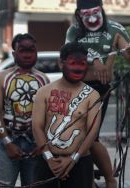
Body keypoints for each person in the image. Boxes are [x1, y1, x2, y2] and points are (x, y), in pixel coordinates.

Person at [65, 0, 130, 187]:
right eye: (86, 15)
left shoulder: (114, 28)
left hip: (100, 89)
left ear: (102, 10)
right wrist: (93, 60)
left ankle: (109, 179)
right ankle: (92, 178)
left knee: (89, 137)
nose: (91, 19)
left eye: (95, 13)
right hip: (76, 87)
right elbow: (67, 52)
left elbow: (128, 53)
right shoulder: (74, 31)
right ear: (78, 14)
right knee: (80, 136)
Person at [32, 41, 101, 188]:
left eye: (82, 63)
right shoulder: (44, 92)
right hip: (47, 161)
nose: (77, 68)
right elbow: (36, 127)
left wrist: (73, 158)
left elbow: (92, 132)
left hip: (80, 162)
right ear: (61, 63)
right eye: (73, 63)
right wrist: (49, 158)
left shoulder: (92, 95)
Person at [0, 33, 50, 186]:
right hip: (8, 142)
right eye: (23, 50)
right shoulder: (1, 77)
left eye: (31, 50)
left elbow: (48, 116)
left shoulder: (44, 79)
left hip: (35, 146)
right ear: (14, 53)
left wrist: (42, 144)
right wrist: (7, 143)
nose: (27, 54)